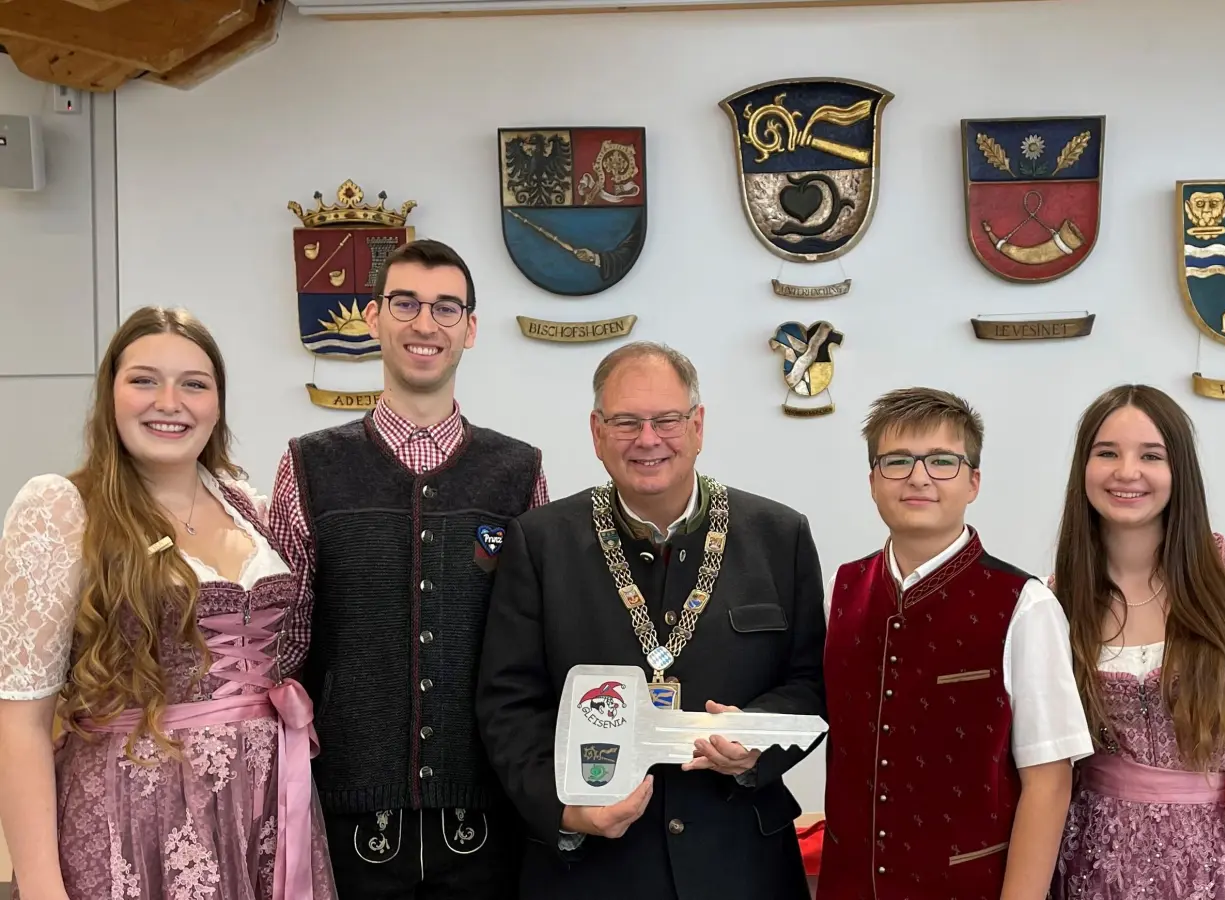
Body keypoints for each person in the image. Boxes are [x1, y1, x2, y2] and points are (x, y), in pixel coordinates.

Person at [0, 306, 338, 900]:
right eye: (144, 379)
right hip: (134, 816)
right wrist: (40, 888)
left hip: (265, 807)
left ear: (217, 403)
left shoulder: (246, 505)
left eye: (194, 384)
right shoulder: (62, 508)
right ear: (110, 394)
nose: (169, 401)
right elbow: (20, 723)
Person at [476, 340, 826, 900]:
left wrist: (755, 742)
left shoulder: (778, 536)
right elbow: (508, 702)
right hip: (592, 870)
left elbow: (811, 682)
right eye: (625, 421)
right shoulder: (541, 543)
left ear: (697, 425)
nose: (647, 439)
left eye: (666, 419)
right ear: (596, 431)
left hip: (742, 861)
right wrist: (566, 810)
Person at [268, 239, 548, 898]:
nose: (426, 324)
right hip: (348, 815)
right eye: (406, 304)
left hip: (486, 817)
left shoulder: (519, 473)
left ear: (471, 329)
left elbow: (536, 645)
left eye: (447, 308)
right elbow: (283, 641)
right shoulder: (308, 467)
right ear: (373, 318)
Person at [1049, 384, 1225, 900]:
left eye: (1151, 455)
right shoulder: (1055, 600)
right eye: (1107, 453)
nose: (1127, 471)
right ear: (1083, 468)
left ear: (1179, 470)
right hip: (1097, 873)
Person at [815, 387, 1093, 900]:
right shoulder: (842, 588)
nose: (919, 477)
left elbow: (1050, 783)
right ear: (873, 481)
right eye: (897, 461)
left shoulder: (1024, 604)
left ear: (973, 482)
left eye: (942, 461)